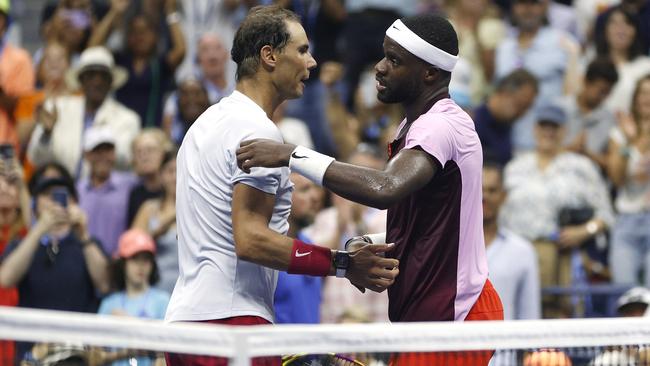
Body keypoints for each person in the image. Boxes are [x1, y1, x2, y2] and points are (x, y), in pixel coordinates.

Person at [237, 12, 503, 365]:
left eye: (394, 60)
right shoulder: (417, 125)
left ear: (429, 73)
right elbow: (431, 221)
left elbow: (385, 187)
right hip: (432, 317)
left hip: (454, 316)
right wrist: (376, 244)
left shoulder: (441, 125)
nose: (379, 68)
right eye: (383, 55)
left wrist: (292, 155)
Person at [164, 6, 398, 366]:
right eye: (302, 50)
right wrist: (342, 264)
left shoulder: (202, 126)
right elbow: (251, 239)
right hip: (233, 327)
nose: (313, 62)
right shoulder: (258, 132)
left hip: (183, 324)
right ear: (269, 56)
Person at [500, 104, 614, 317]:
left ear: (564, 131)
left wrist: (583, 231)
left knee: (560, 316)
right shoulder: (515, 167)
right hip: (518, 250)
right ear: (534, 129)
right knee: (517, 313)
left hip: (561, 252)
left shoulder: (581, 167)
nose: (548, 132)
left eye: (555, 127)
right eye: (544, 126)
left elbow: (606, 214)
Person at [27, 46, 141, 178]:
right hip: (64, 191)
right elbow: (36, 158)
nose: (97, 81)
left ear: (111, 82)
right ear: (81, 80)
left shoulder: (127, 118)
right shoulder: (58, 109)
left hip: (104, 193)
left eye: (103, 76)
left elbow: (126, 161)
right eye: (91, 75)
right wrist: (47, 134)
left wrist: (103, 141)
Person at [98, 229, 169, 366]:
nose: (141, 266)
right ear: (123, 263)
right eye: (135, 259)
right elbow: (95, 355)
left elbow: (168, 350)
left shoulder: (163, 301)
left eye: (146, 260)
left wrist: (131, 324)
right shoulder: (109, 304)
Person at [76, 126, 138, 256]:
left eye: (108, 150)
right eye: (97, 151)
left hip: (118, 264)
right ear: (86, 155)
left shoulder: (130, 185)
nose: (103, 156)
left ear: (114, 153)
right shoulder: (77, 191)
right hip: (83, 262)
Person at [273, 173, 323, 324]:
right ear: (281, 196)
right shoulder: (268, 250)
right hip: (278, 345)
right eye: (304, 190)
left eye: (314, 188)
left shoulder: (309, 244)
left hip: (312, 345)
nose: (315, 197)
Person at [132, 151, 178, 294]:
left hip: (188, 289)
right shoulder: (149, 209)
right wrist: (158, 232)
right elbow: (132, 249)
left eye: (181, 170)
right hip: (154, 288)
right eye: (170, 171)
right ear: (161, 175)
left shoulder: (199, 209)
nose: (176, 177)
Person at [474, 69, 539, 166]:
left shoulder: (506, 126)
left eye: (527, 108)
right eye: (521, 105)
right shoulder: (472, 122)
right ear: (505, 93)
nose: (523, 114)